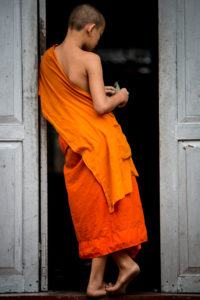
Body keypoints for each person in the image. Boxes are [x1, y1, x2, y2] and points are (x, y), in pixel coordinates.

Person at [38, 3, 148, 297]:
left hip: (78, 145)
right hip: (101, 143)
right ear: (90, 28)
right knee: (105, 209)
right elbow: (100, 107)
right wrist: (121, 96)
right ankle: (120, 268)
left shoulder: (50, 58)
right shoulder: (90, 59)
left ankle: (101, 279)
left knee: (97, 210)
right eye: (99, 35)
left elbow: (80, 99)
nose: (98, 41)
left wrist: (99, 94)